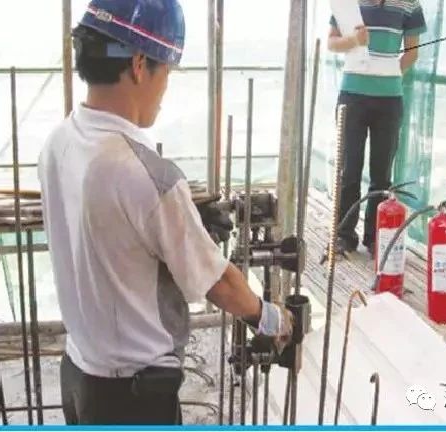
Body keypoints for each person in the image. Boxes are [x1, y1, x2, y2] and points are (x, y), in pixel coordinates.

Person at [37, 0, 293, 424]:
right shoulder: (143, 172)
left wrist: (183, 223)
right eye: (167, 72)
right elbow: (218, 282)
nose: (164, 89)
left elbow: (109, 238)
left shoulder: (59, 142)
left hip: (79, 373)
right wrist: (270, 318)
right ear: (139, 64)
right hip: (132, 397)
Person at [327, 0, 426, 256]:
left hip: (389, 100)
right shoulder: (347, 3)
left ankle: (375, 237)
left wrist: (388, 74)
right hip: (352, 96)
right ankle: (344, 236)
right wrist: (354, 41)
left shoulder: (410, 5)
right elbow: (332, 43)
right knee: (349, 170)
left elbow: (412, 53)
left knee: (382, 174)